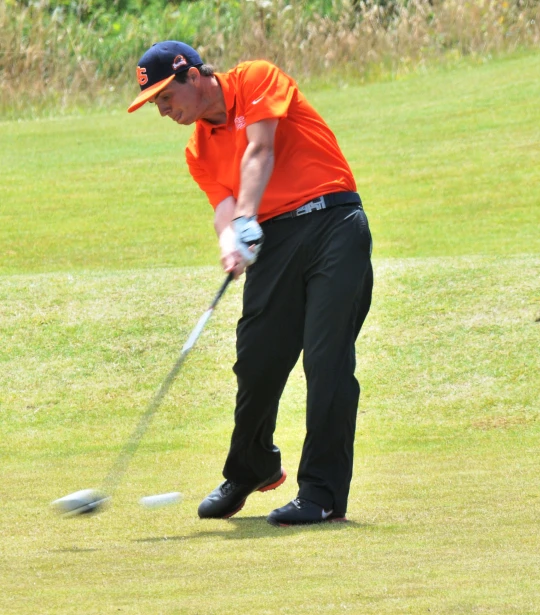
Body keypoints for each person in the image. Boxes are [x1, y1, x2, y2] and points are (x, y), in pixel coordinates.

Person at [127, 41, 373, 526]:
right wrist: (229, 241)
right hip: (273, 241)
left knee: (326, 361)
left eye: (164, 97)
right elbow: (223, 204)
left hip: (333, 224)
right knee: (256, 360)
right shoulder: (198, 149)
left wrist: (244, 219)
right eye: (154, 103)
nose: (163, 110)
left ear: (191, 75)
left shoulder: (255, 79)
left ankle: (321, 494)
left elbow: (260, 148)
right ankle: (253, 467)